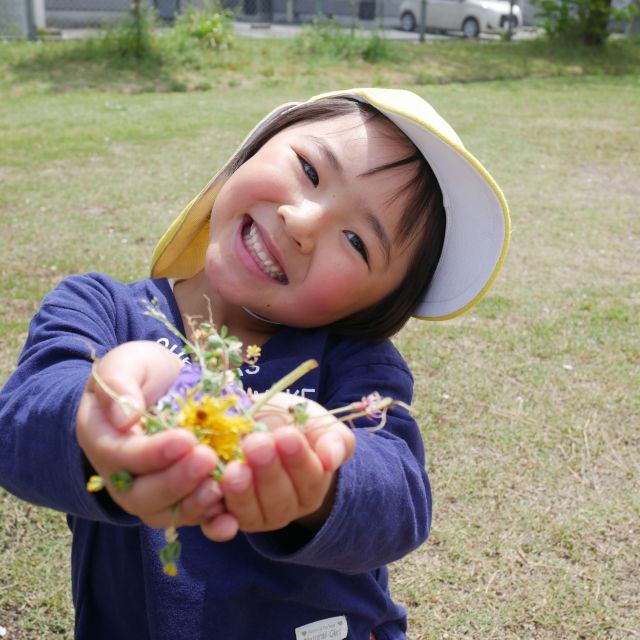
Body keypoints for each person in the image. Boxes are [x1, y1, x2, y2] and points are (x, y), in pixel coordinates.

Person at [0, 88, 510, 640]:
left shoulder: (355, 366)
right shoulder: (101, 310)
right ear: (251, 151)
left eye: (356, 242)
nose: (303, 221)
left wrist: (324, 476)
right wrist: (92, 414)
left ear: (373, 307)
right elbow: (22, 419)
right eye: (310, 170)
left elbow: (402, 499)